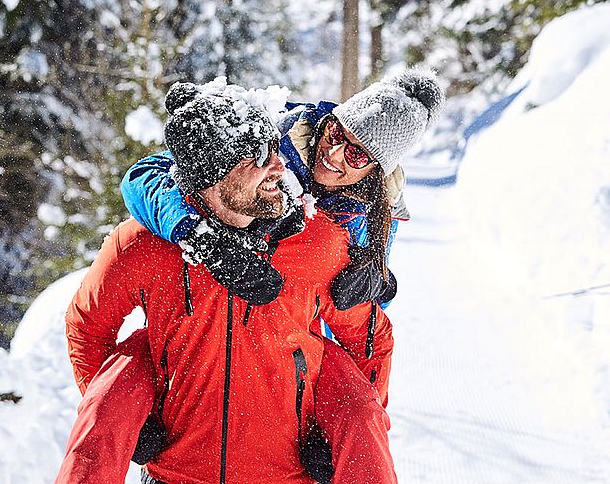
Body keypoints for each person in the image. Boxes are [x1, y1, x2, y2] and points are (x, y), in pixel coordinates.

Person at [58, 74, 441, 483]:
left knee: (340, 382)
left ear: (377, 170)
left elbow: (367, 337)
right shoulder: (269, 130)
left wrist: (372, 275)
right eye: (337, 134)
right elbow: (148, 176)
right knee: (126, 370)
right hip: (178, 464)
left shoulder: (339, 232)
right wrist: (195, 235)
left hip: (284, 455)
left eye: (359, 155)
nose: (336, 154)